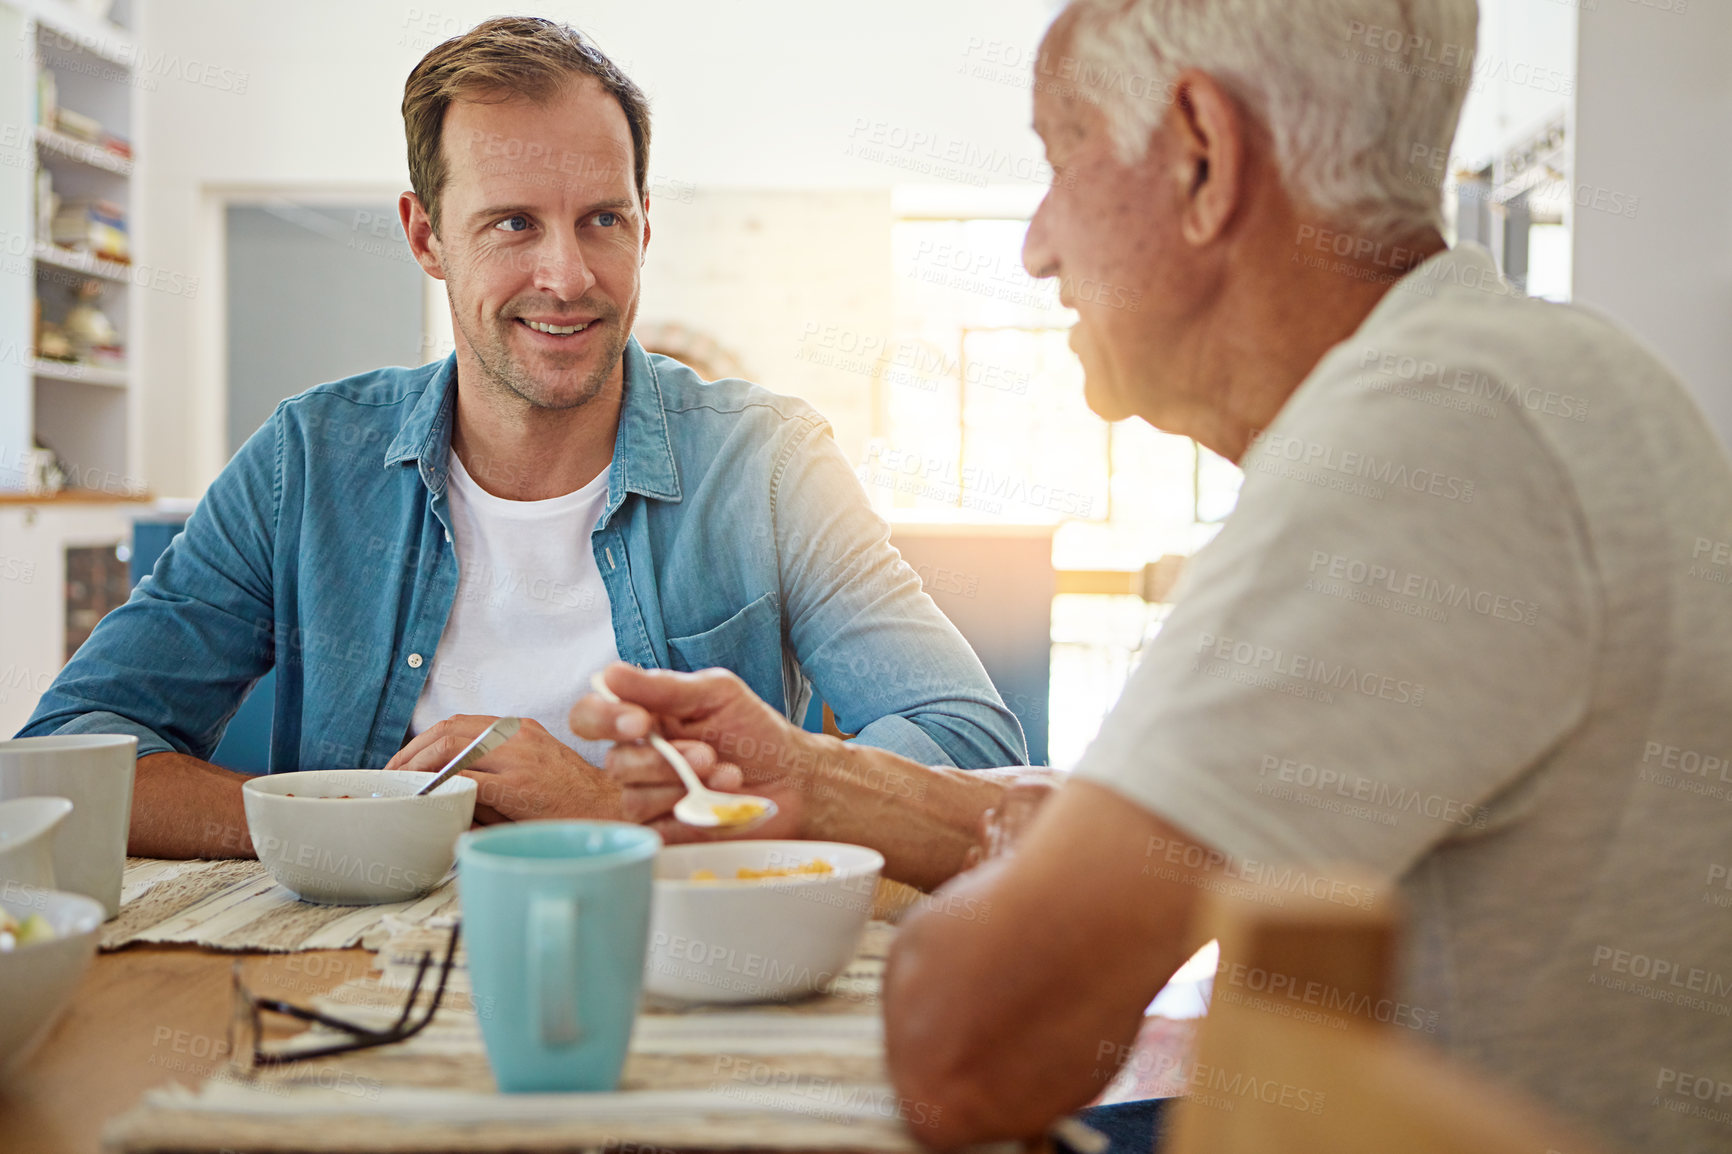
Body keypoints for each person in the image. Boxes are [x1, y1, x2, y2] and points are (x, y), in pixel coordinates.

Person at [574, 2, 1732, 1151]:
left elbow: (963, 1046)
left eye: (1056, 156)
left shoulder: (1419, 446)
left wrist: (1013, 883)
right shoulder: (1538, 380)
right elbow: (1177, 850)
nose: (1035, 243)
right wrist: (816, 780)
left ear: (1201, 157)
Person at [17, 16, 1025, 860]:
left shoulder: (769, 463)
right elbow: (71, 750)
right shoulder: (306, 460)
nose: (568, 275)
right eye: (511, 225)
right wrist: (373, 817)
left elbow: (965, 740)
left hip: (679, 970)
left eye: (601, 220)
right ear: (425, 236)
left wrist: (611, 817)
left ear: (642, 224)